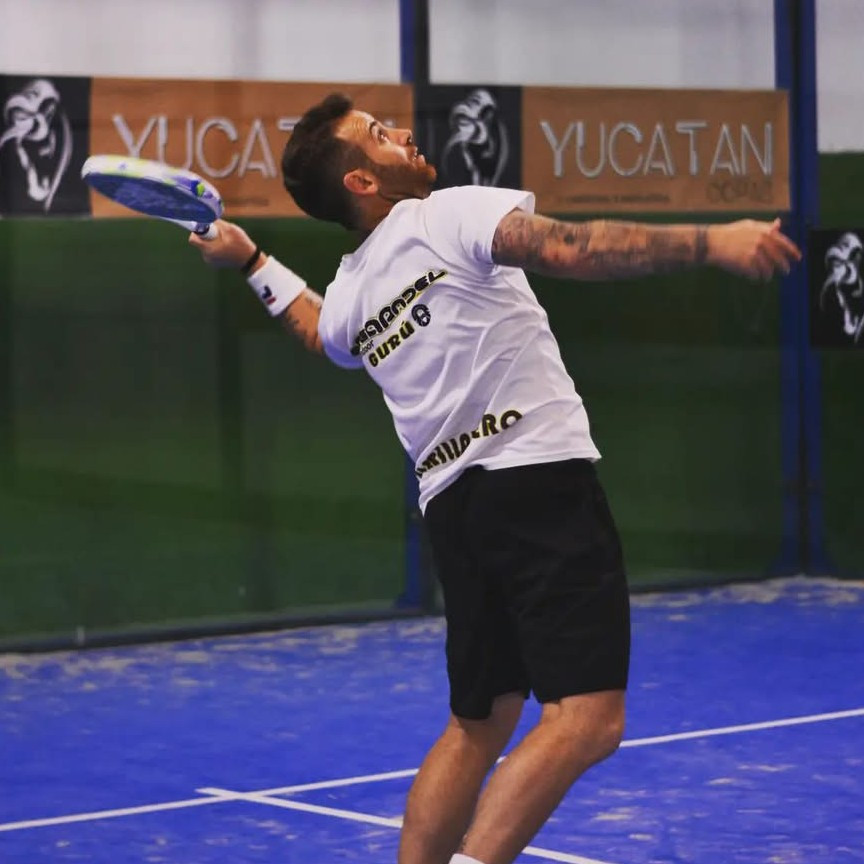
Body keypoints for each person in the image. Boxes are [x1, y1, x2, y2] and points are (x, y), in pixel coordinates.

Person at [189, 93, 801, 864]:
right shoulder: (443, 214)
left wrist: (250, 261)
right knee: (587, 719)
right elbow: (571, 248)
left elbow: (319, 330)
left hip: (457, 514)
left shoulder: (352, 293)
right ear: (361, 183)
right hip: (536, 482)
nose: (401, 133)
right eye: (378, 135)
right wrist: (712, 243)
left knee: (478, 724)